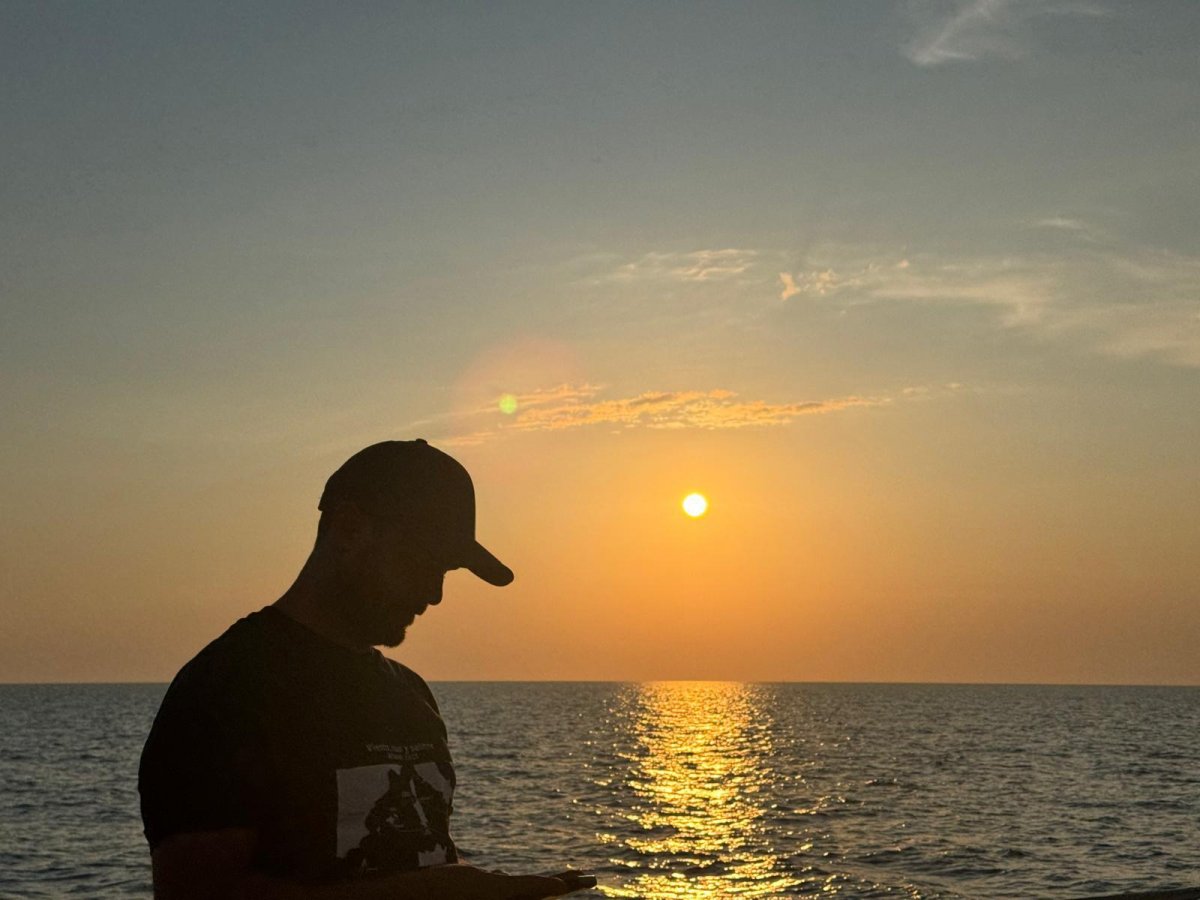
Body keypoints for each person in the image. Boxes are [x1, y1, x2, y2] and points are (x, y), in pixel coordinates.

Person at [139, 439, 591, 899]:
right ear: (349, 529)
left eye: (446, 571)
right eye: (421, 562)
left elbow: (417, 859)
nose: (434, 594)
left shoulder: (412, 698)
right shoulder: (224, 691)